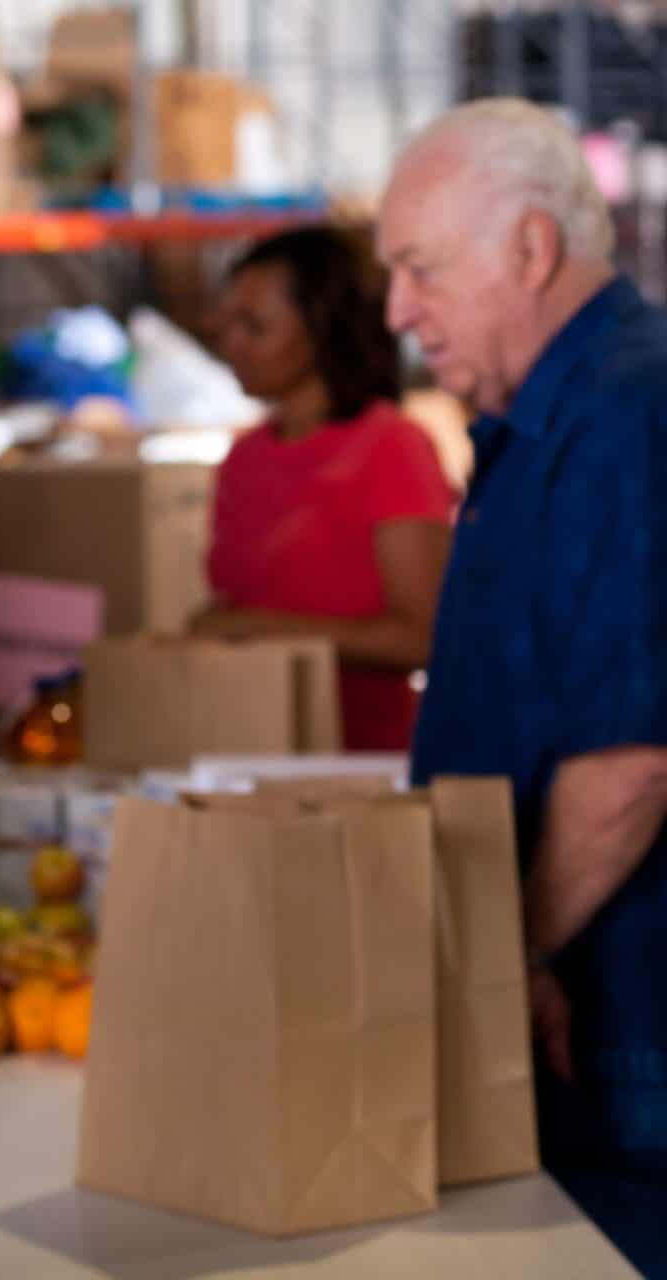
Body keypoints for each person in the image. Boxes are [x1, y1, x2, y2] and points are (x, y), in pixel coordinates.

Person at [381, 98, 667, 1274]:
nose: (399, 310)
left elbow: (632, 763)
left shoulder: (625, 420)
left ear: (531, 249)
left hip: (620, 1040)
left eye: (420, 268)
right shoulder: (545, 417)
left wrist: (512, 958)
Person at [195, 226, 454, 751]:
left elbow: (425, 637)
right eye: (226, 325)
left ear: (322, 331)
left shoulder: (391, 448)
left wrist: (263, 633)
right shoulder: (243, 458)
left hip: (364, 761)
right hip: (249, 746)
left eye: (255, 326)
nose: (232, 344)